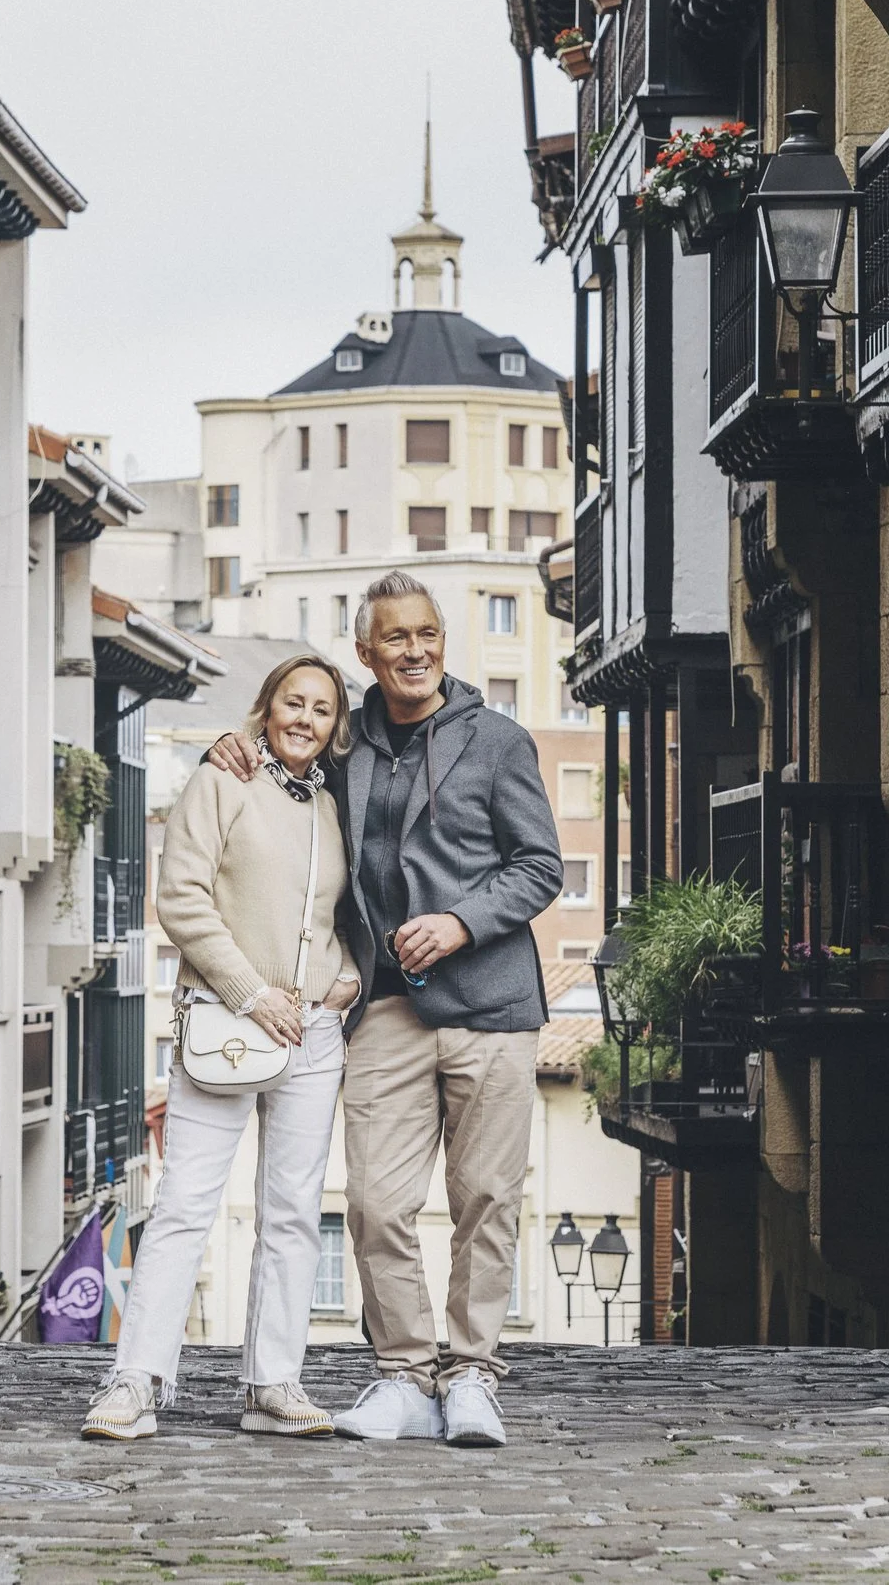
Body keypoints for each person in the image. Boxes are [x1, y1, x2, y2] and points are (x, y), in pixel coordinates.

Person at [207, 570, 560, 1449]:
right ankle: (403, 1373)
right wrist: (233, 744)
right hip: (387, 1009)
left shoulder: (498, 741)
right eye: (395, 638)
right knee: (374, 1203)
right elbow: (283, 748)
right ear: (366, 653)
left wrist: (460, 921)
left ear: (443, 641)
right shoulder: (345, 744)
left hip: (492, 1006)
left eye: (427, 634)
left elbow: (541, 866)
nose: (415, 650)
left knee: (484, 1197)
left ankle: (472, 1372)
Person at [81, 652, 365, 1442]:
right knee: (183, 1207)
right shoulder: (222, 780)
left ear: (336, 724)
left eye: (322, 708)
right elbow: (179, 897)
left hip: (312, 1034)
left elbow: (339, 916)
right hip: (227, 1026)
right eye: (293, 702)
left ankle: (272, 1384)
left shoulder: (335, 804)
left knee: (294, 1213)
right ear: (266, 706)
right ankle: (133, 1380)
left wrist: (341, 979)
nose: (306, 718)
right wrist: (252, 991)